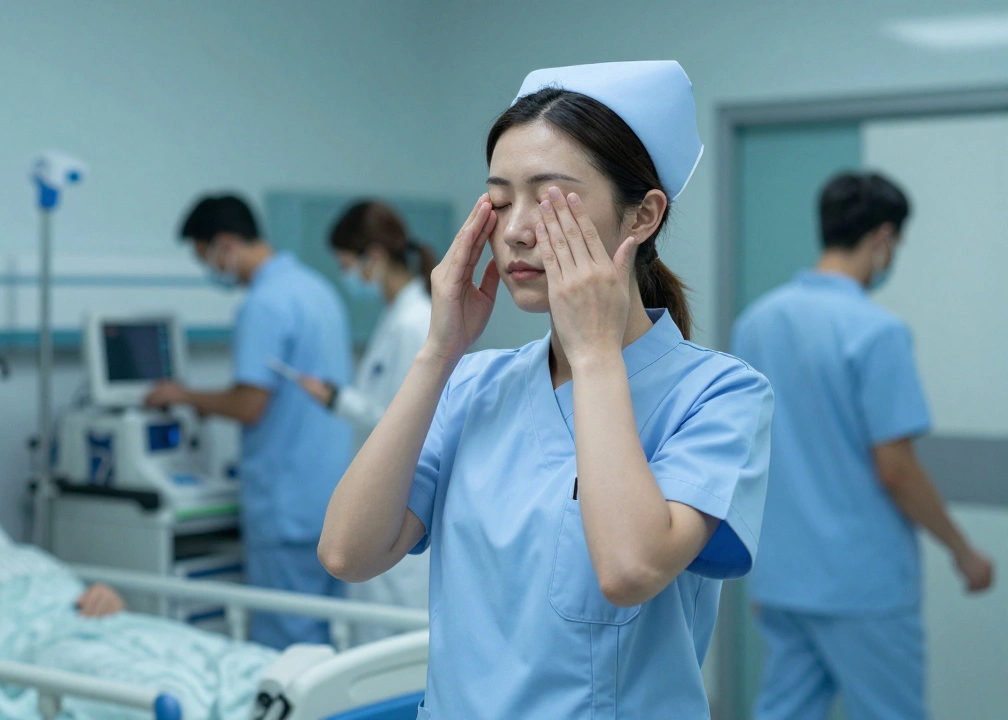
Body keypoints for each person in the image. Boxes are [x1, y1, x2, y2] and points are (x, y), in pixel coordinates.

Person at [318, 61, 773, 719]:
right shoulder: (474, 383)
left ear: (643, 214)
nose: (515, 230)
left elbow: (628, 570)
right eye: (499, 202)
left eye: (551, 198)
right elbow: (347, 552)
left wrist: (593, 357)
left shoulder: (718, 394)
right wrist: (438, 354)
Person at [732, 171, 995, 720]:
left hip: (784, 577)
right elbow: (896, 470)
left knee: (784, 711)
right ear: (881, 238)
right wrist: (962, 550)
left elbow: (747, 453)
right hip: (862, 586)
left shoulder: (756, 323)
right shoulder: (877, 333)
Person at [0, 468, 275, 719]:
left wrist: (105, 595)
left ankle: (286, 691)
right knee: (146, 688)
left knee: (217, 657)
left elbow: (73, 593)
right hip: (32, 650)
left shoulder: (18, 553)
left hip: (106, 627)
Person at [145, 194, 353, 649]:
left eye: (207, 258)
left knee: (287, 649)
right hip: (332, 497)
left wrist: (183, 395)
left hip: (286, 506)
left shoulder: (264, 303)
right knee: (327, 643)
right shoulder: (317, 290)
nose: (213, 270)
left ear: (224, 245)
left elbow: (249, 405)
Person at [289, 200, 434, 644]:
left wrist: (338, 400)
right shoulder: (398, 318)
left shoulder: (414, 322)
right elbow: (388, 406)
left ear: (373, 255)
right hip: (388, 506)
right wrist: (339, 399)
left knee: (391, 650)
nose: (347, 276)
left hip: (401, 506)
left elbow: (407, 423)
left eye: (347, 264)